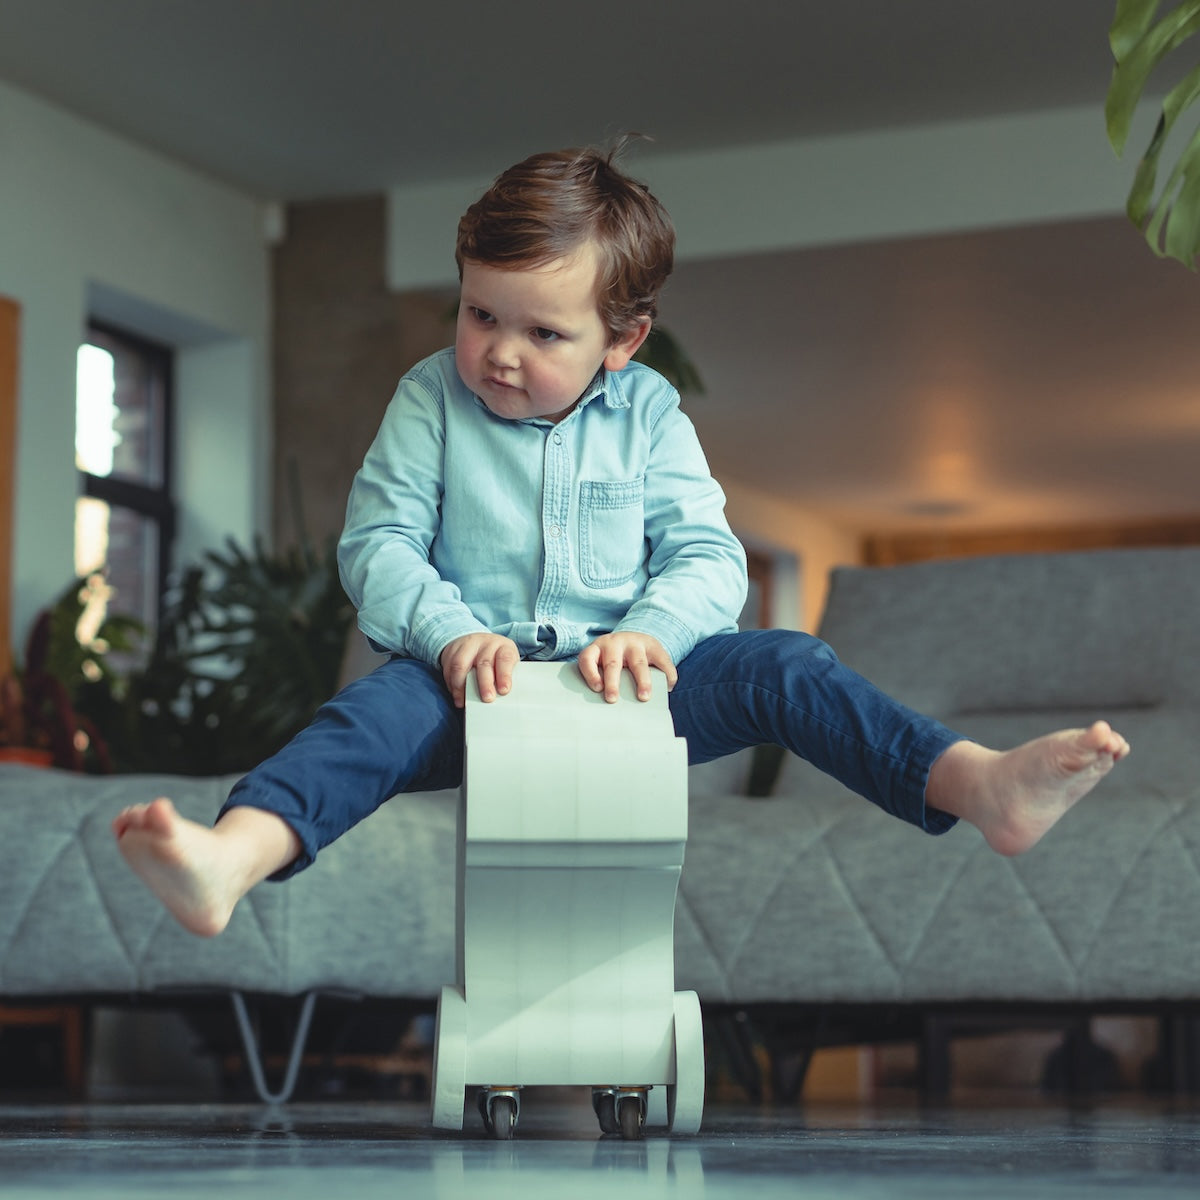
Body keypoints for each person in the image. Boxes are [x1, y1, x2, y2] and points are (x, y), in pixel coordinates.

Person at [113, 143, 1129, 938]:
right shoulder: (430, 398)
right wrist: (450, 633)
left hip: (634, 691)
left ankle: (977, 786)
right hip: (474, 689)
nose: (500, 354)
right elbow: (377, 542)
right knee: (365, 718)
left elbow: (709, 557)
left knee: (789, 665)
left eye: (544, 334)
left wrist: (651, 631)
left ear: (623, 338)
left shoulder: (650, 416)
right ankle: (231, 862)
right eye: (480, 315)